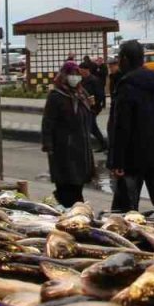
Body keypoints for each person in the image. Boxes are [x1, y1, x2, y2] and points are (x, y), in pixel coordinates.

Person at [107, 40, 154, 213]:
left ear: (125, 59)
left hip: (134, 156)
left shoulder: (127, 86)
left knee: (124, 205)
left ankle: (125, 234)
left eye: (119, 58)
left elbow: (121, 127)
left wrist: (117, 161)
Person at [40, 61, 95, 207]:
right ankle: (73, 212)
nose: (74, 78)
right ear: (64, 76)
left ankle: (69, 207)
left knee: (78, 185)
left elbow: (88, 115)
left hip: (81, 148)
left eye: (77, 74)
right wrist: (48, 145)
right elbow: (48, 122)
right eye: (71, 74)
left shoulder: (81, 93)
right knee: (68, 187)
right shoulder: (56, 96)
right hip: (64, 149)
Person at [79, 58, 108, 152]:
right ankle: (104, 144)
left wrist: (96, 106)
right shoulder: (81, 80)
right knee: (92, 127)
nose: (80, 73)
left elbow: (99, 95)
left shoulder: (94, 80)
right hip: (84, 106)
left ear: (86, 70)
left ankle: (87, 146)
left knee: (90, 126)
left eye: (82, 71)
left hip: (93, 107)